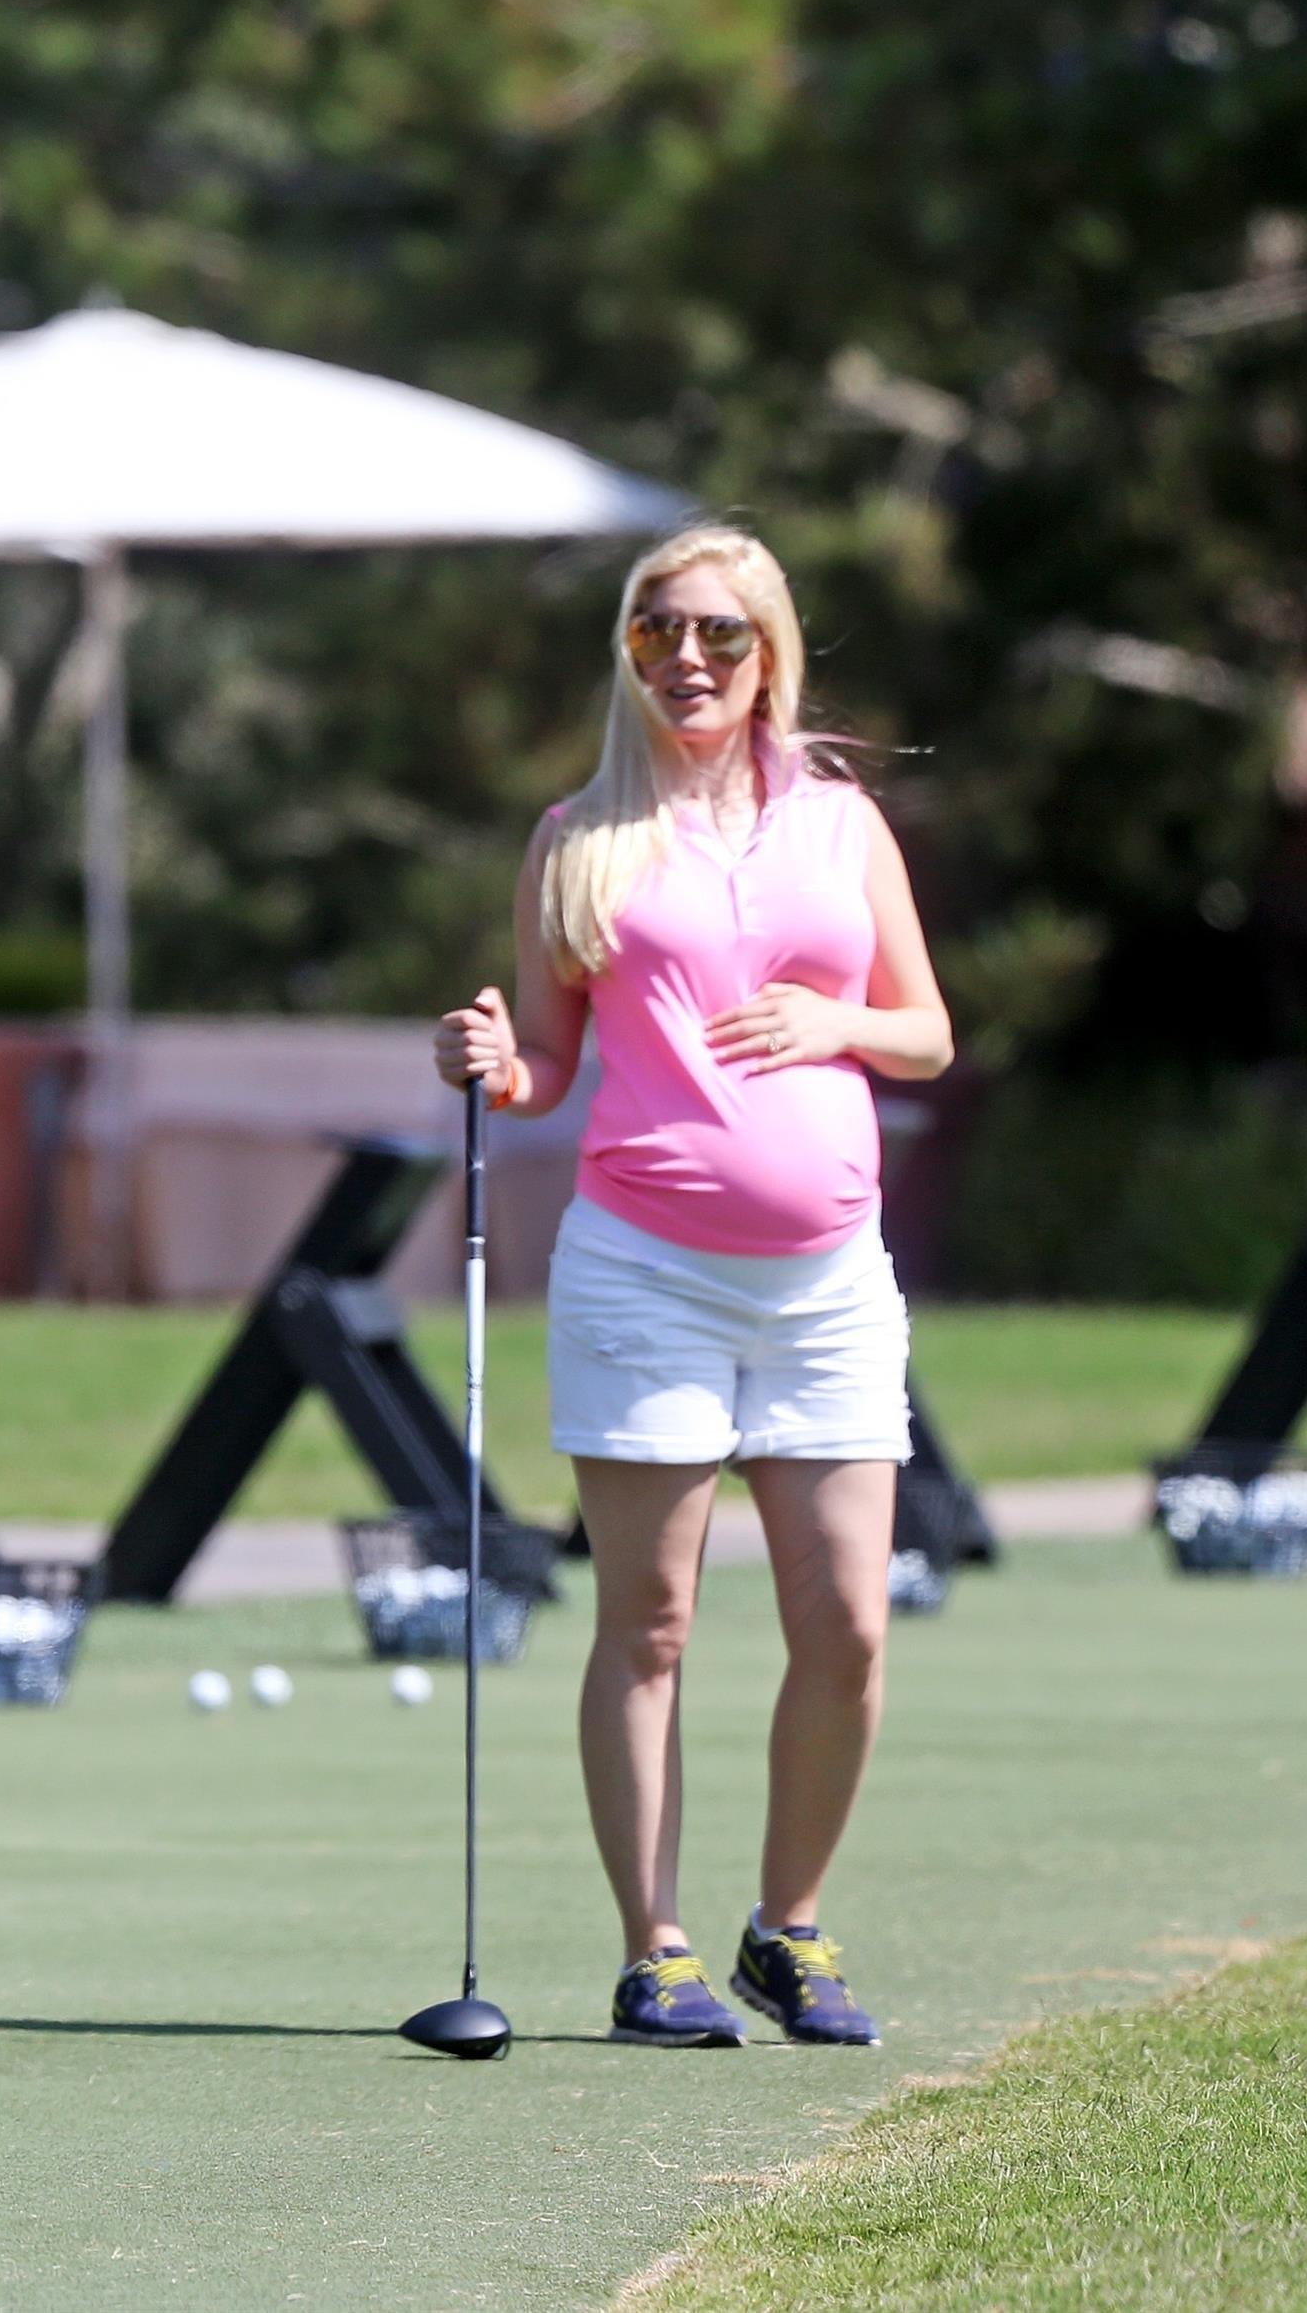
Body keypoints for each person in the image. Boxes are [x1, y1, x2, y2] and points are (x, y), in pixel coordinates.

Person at [433, 524, 951, 2049]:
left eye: (721, 632)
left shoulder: (842, 825)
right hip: (644, 1272)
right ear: (631, 649)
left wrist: (835, 1019)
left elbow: (926, 1031)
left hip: (826, 1283)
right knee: (649, 1622)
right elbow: (544, 1067)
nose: (690, 658)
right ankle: (652, 1949)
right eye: (659, 631)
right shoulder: (579, 837)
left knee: (849, 1624)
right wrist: (493, 1063)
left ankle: (785, 1928)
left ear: (769, 650)